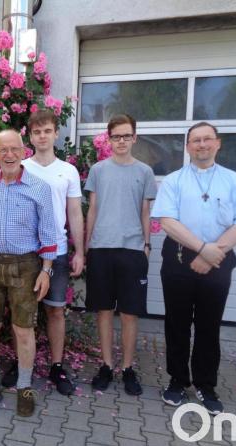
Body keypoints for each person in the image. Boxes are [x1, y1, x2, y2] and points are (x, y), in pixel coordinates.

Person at [152, 121, 236, 415]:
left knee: (208, 326)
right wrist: (201, 248)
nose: (201, 144)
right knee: (176, 324)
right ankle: (177, 381)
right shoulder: (174, 181)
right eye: (196, 140)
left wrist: (212, 253)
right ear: (188, 147)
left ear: (217, 143)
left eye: (207, 139)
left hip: (219, 259)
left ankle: (205, 385)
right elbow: (167, 221)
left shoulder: (234, 181)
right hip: (178, 259)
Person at [0, 109, 83, 396]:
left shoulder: (68, 171)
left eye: (47, 131)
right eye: (37, 132)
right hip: (24, 252)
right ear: (30, 137)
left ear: (56, 134)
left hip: (56, 251)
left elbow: (75, 212)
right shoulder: (21, 167)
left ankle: (57, 366)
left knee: (55, 310)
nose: (42, 136)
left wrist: (79, 251)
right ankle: (21, 363)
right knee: (20, 312)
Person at [0, 129, 58, 417]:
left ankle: (24, 386)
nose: (9, 155)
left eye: (14, 149)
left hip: (26, 266)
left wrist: (46, 270)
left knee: (23, 329)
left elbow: (48, 232)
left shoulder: (39, 187)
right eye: (3, 150)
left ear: (24, 152)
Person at [84, 113, 157, 396]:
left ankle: (127, 368)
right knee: (104, 311)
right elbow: (92, 208)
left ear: (134, 137)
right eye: (116, 136)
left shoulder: (144, 172)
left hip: (133, 250)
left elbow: (145, 211)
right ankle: (106, 364)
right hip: (101, 248)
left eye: (127, 135)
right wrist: (87, 246)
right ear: (109, 139)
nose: (122, 141)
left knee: (129, 313)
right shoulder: (98, 170)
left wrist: (147, 246)